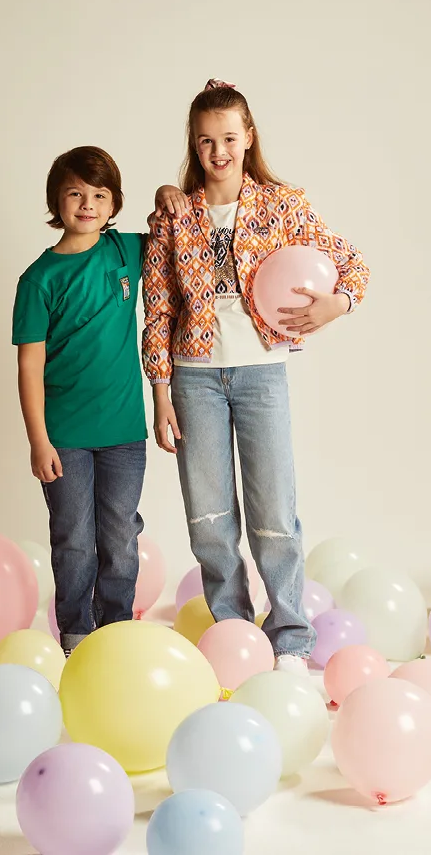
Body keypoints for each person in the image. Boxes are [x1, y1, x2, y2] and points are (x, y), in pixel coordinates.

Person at [142, 79, 370, 673]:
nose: (218, 151)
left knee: (274, 512)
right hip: (193, 379)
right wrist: (161, 393)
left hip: (262, 375)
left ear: (249, 139)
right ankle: (234, 633)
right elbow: (159, 306)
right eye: (205, 141)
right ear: (193, 146)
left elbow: (351, 262)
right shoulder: (175, 211)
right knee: (210, 516)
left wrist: (334, 305)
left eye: (228, 138)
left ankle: (291, 636)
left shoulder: (283, 203)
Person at [12, 146, 184, 656]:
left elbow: (174, 234)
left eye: (99, 195)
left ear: (113, 205)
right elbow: (29, 368)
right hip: (64, 438)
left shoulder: (125, 252)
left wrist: (166, 192)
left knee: (120, 540)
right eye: (75, 194)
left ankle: (114, 634)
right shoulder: (38, 280)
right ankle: (75, 635)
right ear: (56, 202)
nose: (87, 204)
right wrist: (39, 441)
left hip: (125, 435)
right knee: (72, 541)